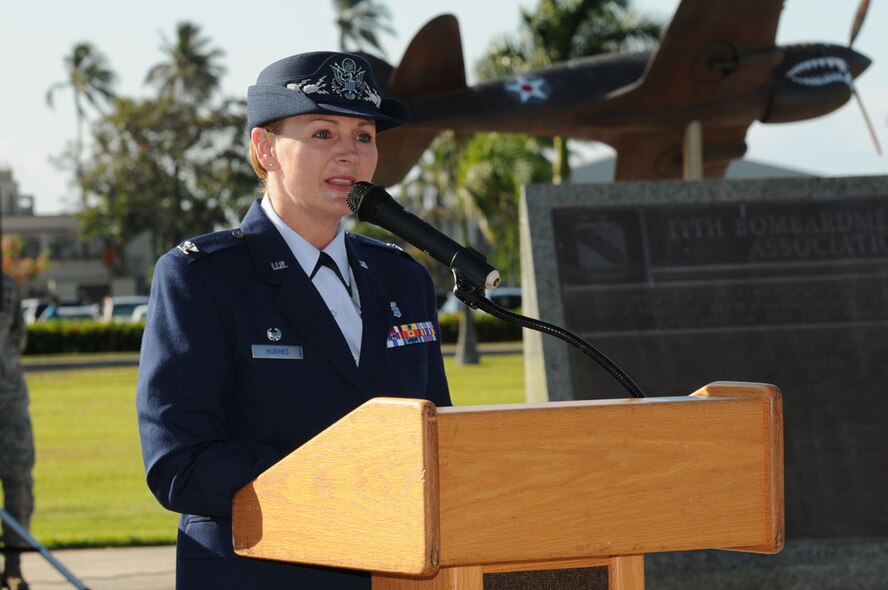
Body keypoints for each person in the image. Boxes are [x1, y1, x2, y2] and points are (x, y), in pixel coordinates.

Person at [136, 51, 451, 589]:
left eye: (364, 137)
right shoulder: (202, 278)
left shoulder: (402, 278)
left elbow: (439, 436)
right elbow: (179, 464)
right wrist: (346, 480)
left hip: (397, 572)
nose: (349, 155)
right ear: (265, 148)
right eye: (323, 134)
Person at [0, 273, 35, 590]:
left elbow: (17, 337)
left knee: (19, 484)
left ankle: (13, 567)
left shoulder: (8, 286)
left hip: (8, 402)